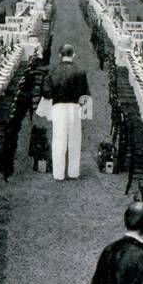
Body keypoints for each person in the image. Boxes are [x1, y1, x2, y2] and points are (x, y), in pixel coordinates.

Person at [42, 43, 91, 181]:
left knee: (58, 140)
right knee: (75, 140)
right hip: (75, 108)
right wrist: (85, 114)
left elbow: (46, 93)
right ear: (73, 55)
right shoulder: (80, 71)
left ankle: (58, 174)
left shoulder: (52, 71)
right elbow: (86, 94)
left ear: (60, 55)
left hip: (58, 108)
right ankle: (74, 172)